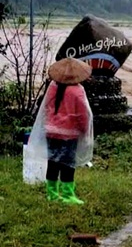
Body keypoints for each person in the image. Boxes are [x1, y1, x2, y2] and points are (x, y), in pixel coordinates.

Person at [28, 58, 94, 204]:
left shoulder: (53, 86)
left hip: (51, 132)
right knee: (67, 164)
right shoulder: (78, 90)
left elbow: (45, 108)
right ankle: (67, 195)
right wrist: (84, 131)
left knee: (52, 162)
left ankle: (51, 194)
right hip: (69, 134)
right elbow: (83, 115)